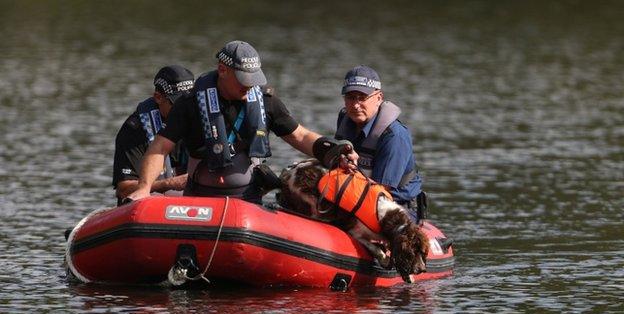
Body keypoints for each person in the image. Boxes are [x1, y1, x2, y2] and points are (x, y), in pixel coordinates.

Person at [125, 40, 356, 203]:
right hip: (200, 196)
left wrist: (332, 151)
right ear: (223, 70)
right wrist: (144, 188)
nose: (249, 86)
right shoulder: (190, 103)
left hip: (248, 196)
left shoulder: (265, 101)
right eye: (243, 79)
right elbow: (159, 147)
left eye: (254, 79)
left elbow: (300, 136)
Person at [334, 65, 426, 222]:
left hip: (397, 207)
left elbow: (380, 194)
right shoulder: (345, 119)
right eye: (350, 97)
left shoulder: (394, 136)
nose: (355, 105)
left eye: (362, 97)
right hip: (357, 195)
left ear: (378, 98)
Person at [113, 65, 195, 205]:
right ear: (158, 97)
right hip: (150, 206)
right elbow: (123, 189)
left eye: (188, 103)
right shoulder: (134, 130)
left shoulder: (200, 121)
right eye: (178, 105)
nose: (184, 110)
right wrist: (169, 183)